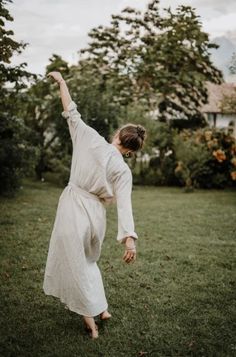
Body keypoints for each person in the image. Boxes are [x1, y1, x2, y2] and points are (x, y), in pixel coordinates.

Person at [43, 71, 146, 339]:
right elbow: (125, 205)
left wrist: (62, 82)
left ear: (116, 135)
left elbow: (70, 110)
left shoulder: (88, 138)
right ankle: (102, 309)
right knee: (88, 261)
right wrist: (129, 240)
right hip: (96, 215)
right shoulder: (124, 171)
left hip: (74, 206)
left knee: (75, 261)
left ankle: (89, 318)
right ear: (130, 150)